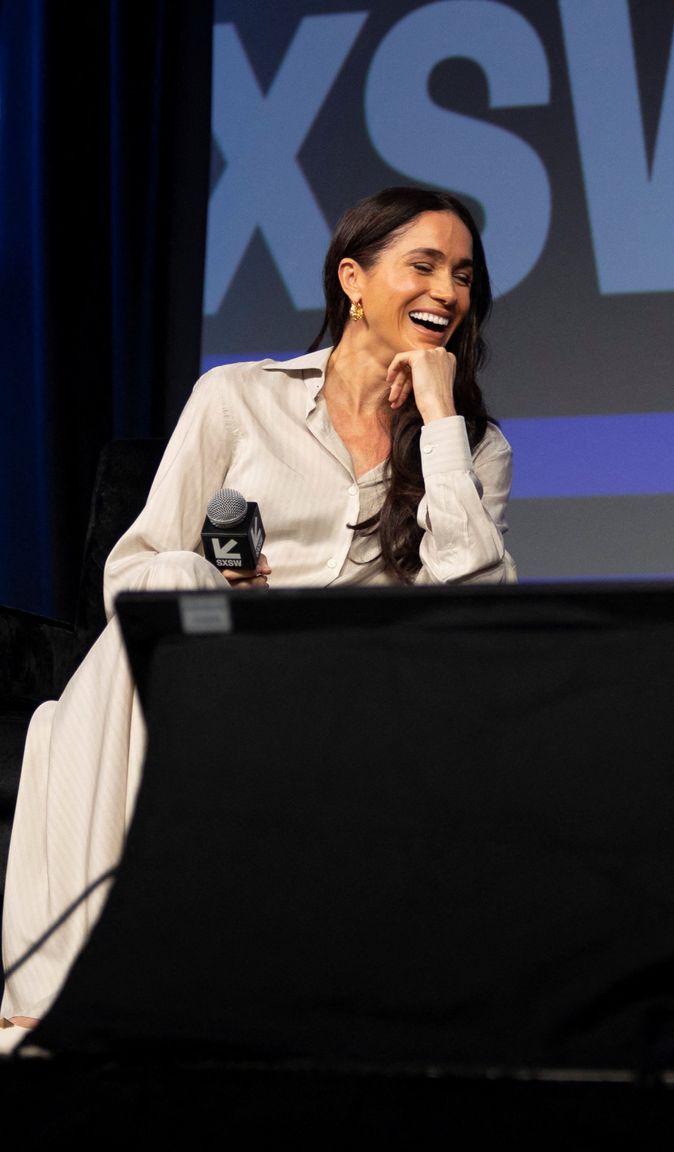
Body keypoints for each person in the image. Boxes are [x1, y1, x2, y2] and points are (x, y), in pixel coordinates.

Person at [1, 187, 517, 1033]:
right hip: (214, 672)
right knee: (167, 590)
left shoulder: (474, 446)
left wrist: (439, 418)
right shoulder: (236, 398)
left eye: (462, 275)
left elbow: (473, 612)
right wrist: (215, 591)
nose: (448, 292)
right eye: (422, 266)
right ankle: (70, 1002)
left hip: (359, 698)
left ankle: (81, 1001)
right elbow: (132, 572)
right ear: (354, 278)